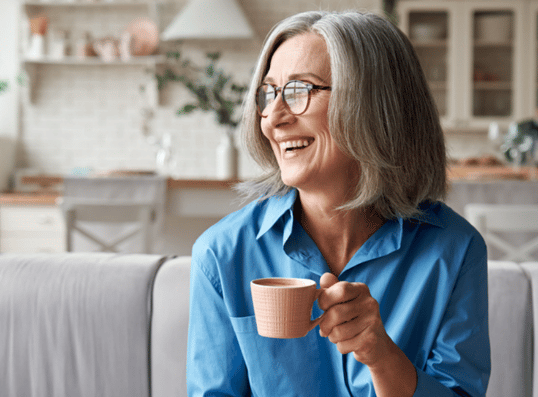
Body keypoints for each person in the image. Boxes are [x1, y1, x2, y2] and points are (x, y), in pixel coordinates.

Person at [187, 10, 490, 397]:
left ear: (376, 105)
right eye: (268, 93)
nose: (273, 118)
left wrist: (381, 357)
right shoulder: (221, 255)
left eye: (299, 91)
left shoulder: (454, 251)